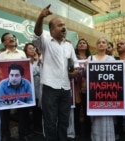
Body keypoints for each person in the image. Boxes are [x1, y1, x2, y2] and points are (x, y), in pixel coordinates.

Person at [33, 4, 79, 141]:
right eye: (59, 25)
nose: (63, 27)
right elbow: (37, 34)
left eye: (64, 25)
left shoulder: (69, 45)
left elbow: (75, 64)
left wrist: (74, 72)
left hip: (65, 88)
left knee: (64, 121)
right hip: (50, 87)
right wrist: (41, 16)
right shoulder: (45, 42)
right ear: (52, 30)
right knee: (50, 121)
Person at [0, 32, 30, 141]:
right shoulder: (1, 55)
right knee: (4, 112)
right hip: (6, 87)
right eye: (8, 38)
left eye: (13, 37)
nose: (12, 39)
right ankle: (6, 136)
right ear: (4, 42)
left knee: (22, 112)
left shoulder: (22, 53)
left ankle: (22, 134)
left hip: (21, 87)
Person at [88, 37, 116, 141]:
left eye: (103, 42)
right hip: (94, 92)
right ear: (96, 45)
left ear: (107, 46)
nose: (101, 44)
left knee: (107, 115)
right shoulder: (90, 59)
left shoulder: (112, 59)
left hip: (107, 92)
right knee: (95, 116)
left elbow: (116, 76)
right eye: (99, 42)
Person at [23, 43, 43, 134]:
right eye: (30, 48)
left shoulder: (38, 60)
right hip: (26, 89)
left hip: (37, 87)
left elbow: (41, 72)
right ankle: (26, 129)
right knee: (26, 110)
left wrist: (37, 61)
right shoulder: (23, 61)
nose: (32, 50)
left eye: (33, 48)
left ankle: (36, 127)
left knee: (37, 109)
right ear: (26, 51)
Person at [74, 38, 91, 139]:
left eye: (84, 43)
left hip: (88, 88)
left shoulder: (91, 58)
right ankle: (77, 132)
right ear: (77, 46)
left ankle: (88, 132)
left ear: (87, 46)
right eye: (80, 43)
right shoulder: (73, 57)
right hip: (75, 87)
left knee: (87, 111)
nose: (82, 44)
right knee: (76, 111)